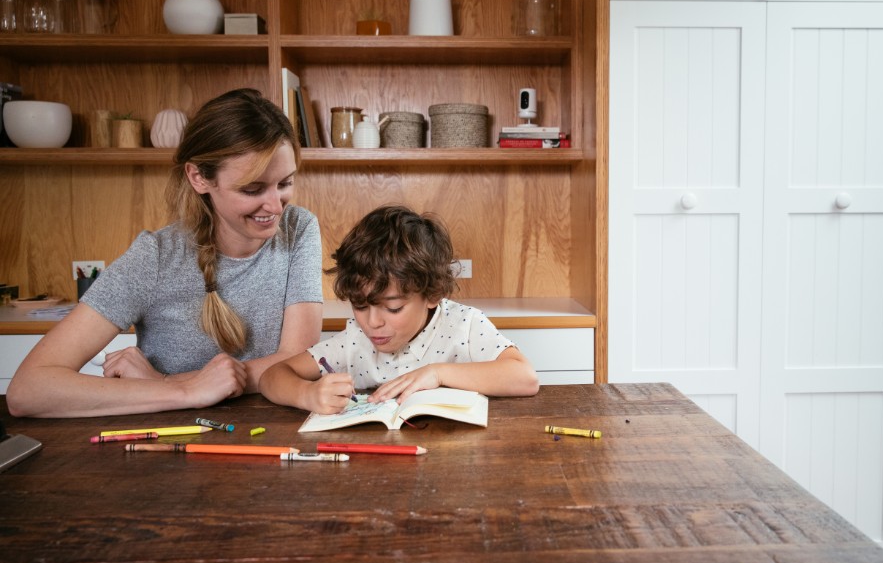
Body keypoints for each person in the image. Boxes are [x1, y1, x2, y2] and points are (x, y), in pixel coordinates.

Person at [7, 88, 324, 418]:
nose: (275, 206)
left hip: (269, 438)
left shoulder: (298, 228)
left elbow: (300, 360)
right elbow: (28, 390)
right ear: (198, 177)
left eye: (285, 183)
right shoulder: (155, 257)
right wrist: (185, 389)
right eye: (252, 189)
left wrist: (160, 380)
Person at [260, 205, 539, 414]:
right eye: (360, 305)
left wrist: (438, 373)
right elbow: (273, 376)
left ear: (432, 294)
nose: (372, 323)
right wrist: (306, 394)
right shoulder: (356, 339)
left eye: (393, 308)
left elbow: (525, 378)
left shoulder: (463, 325)